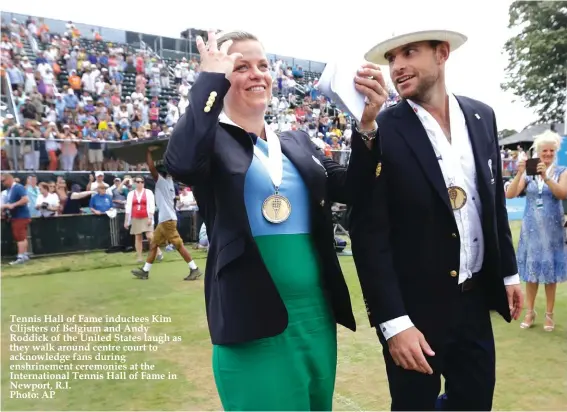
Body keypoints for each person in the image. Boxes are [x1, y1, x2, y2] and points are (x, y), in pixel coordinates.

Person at [164, 30, 386, 411]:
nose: (257, 74)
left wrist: (366, 127)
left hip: (315, 316)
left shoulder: (297, 142)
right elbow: (180, 163)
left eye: (263, 66)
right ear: (222, 76)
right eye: (242, 66)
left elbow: (353, 190)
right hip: (250, 318)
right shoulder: (210, 141)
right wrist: (208, 81)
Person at [349, 29, 524, 411]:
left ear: (442, 53)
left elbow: (491, 201)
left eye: (409, 53)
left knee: (475, 404)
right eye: (392, 58)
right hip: (414, 313)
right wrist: (393, 323)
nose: (397, 67)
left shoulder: (482, 116)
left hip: (475, 301)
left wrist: (508, 273)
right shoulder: (381, 128)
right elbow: (367, 233)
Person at [505, 129, 567, 332]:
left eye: (551, 151)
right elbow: (510, 194)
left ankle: (549, 314)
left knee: (550, 274)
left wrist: (546, 178)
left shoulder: (561, 171)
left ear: (555, 152)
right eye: (544, 151)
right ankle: (530, 312)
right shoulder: (529, 173)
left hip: (552, 231)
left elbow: (562, 194)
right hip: (531, 229)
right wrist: (520, 172)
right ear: (538, 152)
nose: (547, 154)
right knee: (531, 273)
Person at [131, 147, 202, 281]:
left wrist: (147, 152)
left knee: (179, 245)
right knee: (154, 245)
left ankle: (194, 268)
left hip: (167, 220)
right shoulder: (170, 181)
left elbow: (151, 167)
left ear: (161, 173)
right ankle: (145, 271)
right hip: (165, 220)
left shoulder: (162, 182)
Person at [124, 175, 162, 263]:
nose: (140, 183)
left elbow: (152, 206)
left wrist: (150, 217)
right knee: (138, 237)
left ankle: (158, 251)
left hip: (146, 216)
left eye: (142, 182)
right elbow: (128, 207)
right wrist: (126, 221)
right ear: (135, 183)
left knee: (149, 236)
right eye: (138, 182)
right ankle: (140, 257)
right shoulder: (130, 194)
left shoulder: (148, 192)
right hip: (135, 217)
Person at [1, 173, 31, 265]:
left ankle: (20, 257)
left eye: (3, 181)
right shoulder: (10, 189)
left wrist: (13, 205)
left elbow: (25, 199)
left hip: (20, 216)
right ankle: (25, 255)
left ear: (9, 179)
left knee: (19, 237)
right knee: (22, 236)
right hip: (17, 216)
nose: (2, 183)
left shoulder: (18, 187)